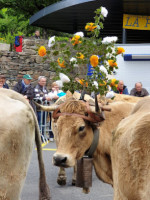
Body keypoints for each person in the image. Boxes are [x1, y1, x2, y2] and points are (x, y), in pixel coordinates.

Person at [34, 76, 51, 140]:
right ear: (39, 81)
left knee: (44, 122)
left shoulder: (45, 88)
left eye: (45, 81)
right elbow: (37, 97)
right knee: (39, 122)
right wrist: (45, 98)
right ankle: (38, 136)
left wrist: (48, 98)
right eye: (42, 81)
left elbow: (47, 95)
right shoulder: (36, 88)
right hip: (39, 108)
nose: (44, 82)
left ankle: (43, 135)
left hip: (44, 107)